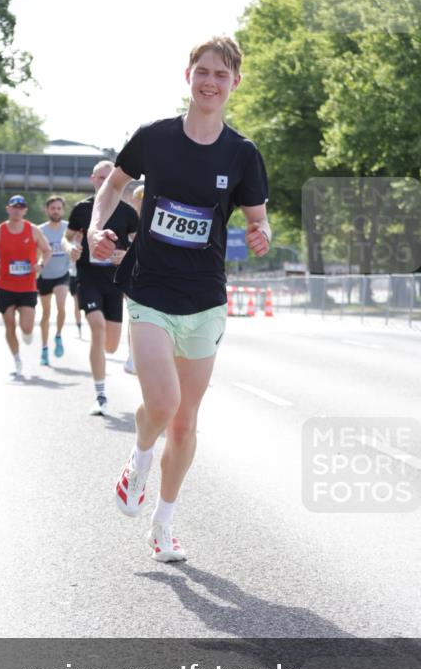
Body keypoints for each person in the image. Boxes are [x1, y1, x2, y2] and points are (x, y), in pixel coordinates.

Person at [87, 36, 270, 562]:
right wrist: (99, 227)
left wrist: (262, 234)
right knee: (163, 403)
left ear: (235, 83)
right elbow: (113, 186)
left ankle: (163, 524)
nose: (210, 82)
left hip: (205, 298)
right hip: (149, 288)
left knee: (186, 420)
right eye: (203, 72)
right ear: (187, 75)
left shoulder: (242, 154)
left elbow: (258, 219)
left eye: (221, 74)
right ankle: (139, 458)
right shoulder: (154, 138)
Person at [63, 161, 139, 415]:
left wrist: (126, 255)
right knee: (96, 327)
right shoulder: (82, 209)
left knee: (111, 346)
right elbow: (67, 237)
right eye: (100, 178)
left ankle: (107, 368)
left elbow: (141, 246)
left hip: (115, 282)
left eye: (109, 178)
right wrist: (71, 248)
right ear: (93, 179)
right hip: (89, 277)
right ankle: (100, 395)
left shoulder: (128, 213)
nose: (104, 182)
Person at [0, 194, 52, 376]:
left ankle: (27, 335)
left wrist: (41, 264)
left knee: (26, 328)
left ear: (25, 210)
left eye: (21, 207)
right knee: (9, 325)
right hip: (5, 286)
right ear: (8, 209)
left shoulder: (33, 230)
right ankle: (17, 360)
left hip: (27, 286)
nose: (18, 210)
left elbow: (47, 250)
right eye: (15, 206)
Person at [37, 195, 71, 364]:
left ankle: (58, 335)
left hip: (62, 274)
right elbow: (35, 253)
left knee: (61, 306)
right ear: (47, 210)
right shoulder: (40, 230)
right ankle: (44, 349)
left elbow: (76, 245)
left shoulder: (68, 228)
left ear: (63, 210)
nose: (56, 211)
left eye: (59, 208)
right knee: (46, 313)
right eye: (53, 208)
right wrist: (38, 264)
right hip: (44, 276)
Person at [122, 182, 144, 375]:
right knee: (135, 315)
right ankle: (132, 354)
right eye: (140, 200)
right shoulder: (129, 221)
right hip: (132, 276)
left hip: (157, 276)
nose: (143, 204)